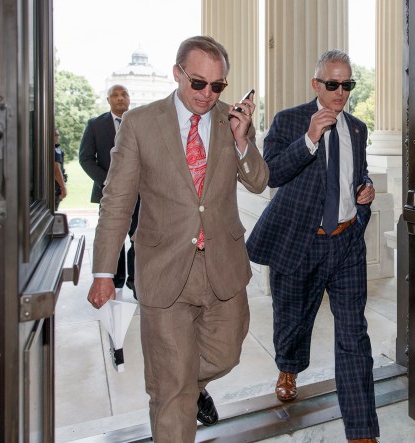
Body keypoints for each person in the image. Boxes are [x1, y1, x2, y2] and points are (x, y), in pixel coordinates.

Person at [86, 36, 268, 443]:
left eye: (217, 86)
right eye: (198, 83)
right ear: (177, 73)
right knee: (171, 391)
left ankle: (187, 382)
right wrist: (102, 271)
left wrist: (242, 141)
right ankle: (174, 388)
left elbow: (258, 181)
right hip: (164, 268)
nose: (207, 95)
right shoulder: (139, 123)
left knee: (226, 353)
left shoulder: (231, 119)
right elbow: (117, 201)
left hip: (222, 266)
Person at [246, 49, 379, 443]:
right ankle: (288, 366)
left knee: (353, 333)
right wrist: (309, 138)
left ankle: (361, 430)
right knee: (292, 317)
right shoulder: (288, 121)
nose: (341, 93)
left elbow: (356, 173)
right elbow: (273, 175)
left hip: (346, 241)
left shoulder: (357, 128)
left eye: (348, 85)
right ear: (316, 84)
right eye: (333, 84)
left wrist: (364, 190)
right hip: (299, 241)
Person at [79, 84, 141, 297]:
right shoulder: (96, 125)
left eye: (124, 93)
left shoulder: (140, 122)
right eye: (115, 95)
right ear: (108, 101)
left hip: (140, 194)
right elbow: (86, 159)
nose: (120, 98)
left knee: (138, 238)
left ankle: (136, 281)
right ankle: (115, 282)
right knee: (113, 236)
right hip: (109, 194)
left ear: (129, 98)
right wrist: (110, 182)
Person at [53, 128, 67, 210]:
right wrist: (63, 188)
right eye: (56, 135)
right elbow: (56, 170)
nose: (58, 137)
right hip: (54, 189)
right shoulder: (55, 150)